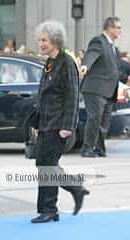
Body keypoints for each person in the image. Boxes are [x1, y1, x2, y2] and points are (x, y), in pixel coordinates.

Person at [30, 20, 89, 224]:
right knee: (46, 164)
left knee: (46, 165)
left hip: (58, 124)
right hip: (46, 122)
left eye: (44, 40)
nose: (41, 44)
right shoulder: (50, 62)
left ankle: (49, 209)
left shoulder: (66, 62)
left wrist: (68, 126)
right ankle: (75, 189)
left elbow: (73, 96)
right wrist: (37, 124)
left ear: (55, 39)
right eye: (39, 40)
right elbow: (42, 94)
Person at [79, 16, 122, 158]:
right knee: (94, 118)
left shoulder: (112, 46)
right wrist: (85, 65)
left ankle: (99, 148)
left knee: (104, 122)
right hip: (95, 89)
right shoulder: (99, 41)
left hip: (109, 90)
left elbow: (113, 68)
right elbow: (91, 54)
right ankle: (87, 148)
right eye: (118, 27)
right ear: (110, 28)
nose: (120, 31)